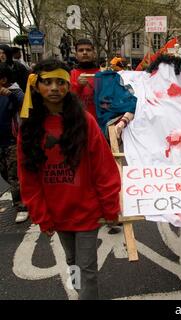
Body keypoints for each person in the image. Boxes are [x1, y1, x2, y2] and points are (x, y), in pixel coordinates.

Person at [17, 59, 121, 299]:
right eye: (47, 82)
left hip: (86, 210)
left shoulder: (85, 121)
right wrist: (42, 215)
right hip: (57, 212)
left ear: (68, 85)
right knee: (72, 261)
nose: (54, 88)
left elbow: (104, 168)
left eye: (60, 82)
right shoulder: (29, 128)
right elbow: (28, 179)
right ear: (36, 86)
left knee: (87, 268)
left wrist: (110, 207)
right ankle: (78, 290)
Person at [0, 63, 28, 223]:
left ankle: (22, 205)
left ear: (3, 80)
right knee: (4, 172)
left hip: (12, 141)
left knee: (14, 175)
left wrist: (10, 95)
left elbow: (25, 109)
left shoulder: (15, 93)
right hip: (0, 142)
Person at [70, 39, 99, 118]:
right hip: (78, 120)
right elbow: (67, 99)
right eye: (81, 50)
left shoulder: (103, 74)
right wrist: (78, 86)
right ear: (76, 55)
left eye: (88, 50)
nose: (85, 52)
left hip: (99, 122)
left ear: (94, 54)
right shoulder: (70, 74)